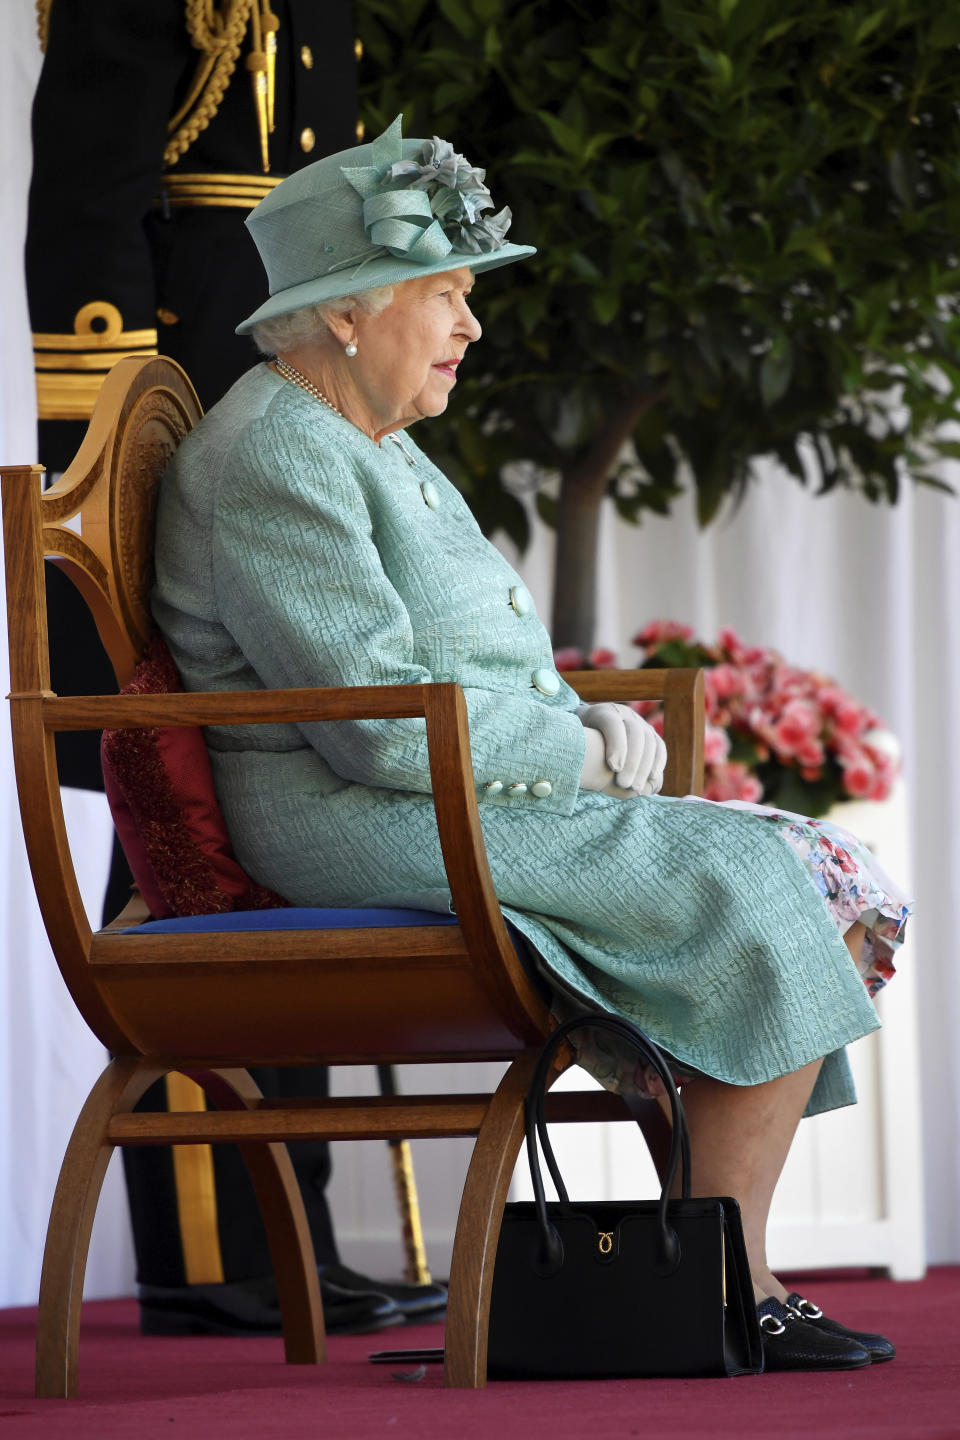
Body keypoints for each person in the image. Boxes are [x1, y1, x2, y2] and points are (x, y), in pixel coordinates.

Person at [151, 114, 912, 1371]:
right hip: (364, 810)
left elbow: (444, 680)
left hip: (447, 784)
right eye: (445, 294)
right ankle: (738, 1284)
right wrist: (585, 752)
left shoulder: (359, 434)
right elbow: (371, 722)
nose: (472, 325)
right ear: (349, 311)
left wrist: (580, 728)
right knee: (766, 874)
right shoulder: (276, 454)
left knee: (809, 863)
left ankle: (708, 1270)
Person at [26, 0, 445, 1336]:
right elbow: (90, 199)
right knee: (177, 817)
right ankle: (210, 1247)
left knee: (273, 803)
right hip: (188, 401)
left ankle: (285, 1230)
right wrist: (115, 459)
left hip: (300, 385)